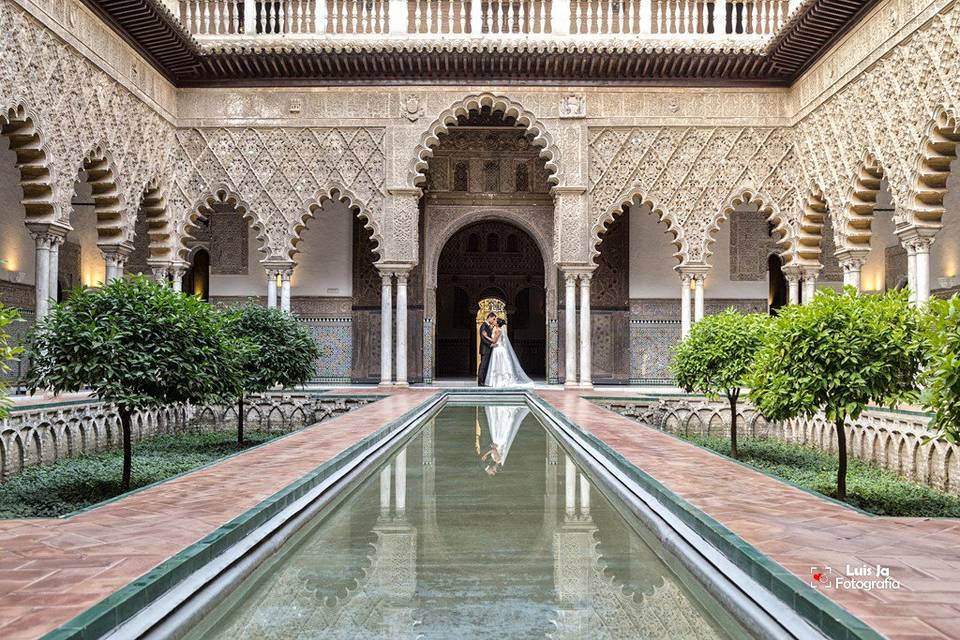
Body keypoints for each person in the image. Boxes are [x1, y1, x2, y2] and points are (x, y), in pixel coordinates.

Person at [485, 318, 534, 388]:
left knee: (499, 366)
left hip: (499, 350)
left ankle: (500, 381)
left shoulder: (498, 330)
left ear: (498, 323)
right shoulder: (496, 329)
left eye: (495, 321)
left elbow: (494, 341)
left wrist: (485, 336)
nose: (494, 321)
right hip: (497, 349)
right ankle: (497, 381)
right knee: (498, 365)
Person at [477, 312, 497, 386]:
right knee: (483, 365)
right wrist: (490, 344)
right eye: (493, 318)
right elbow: (483, 338)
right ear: (489, 317)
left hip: (488, 349)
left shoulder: (488, 326)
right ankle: (480, 382)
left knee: (486, 366)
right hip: (485, 349)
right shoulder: (483, 326)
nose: (494, 320)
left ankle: (484, 381)